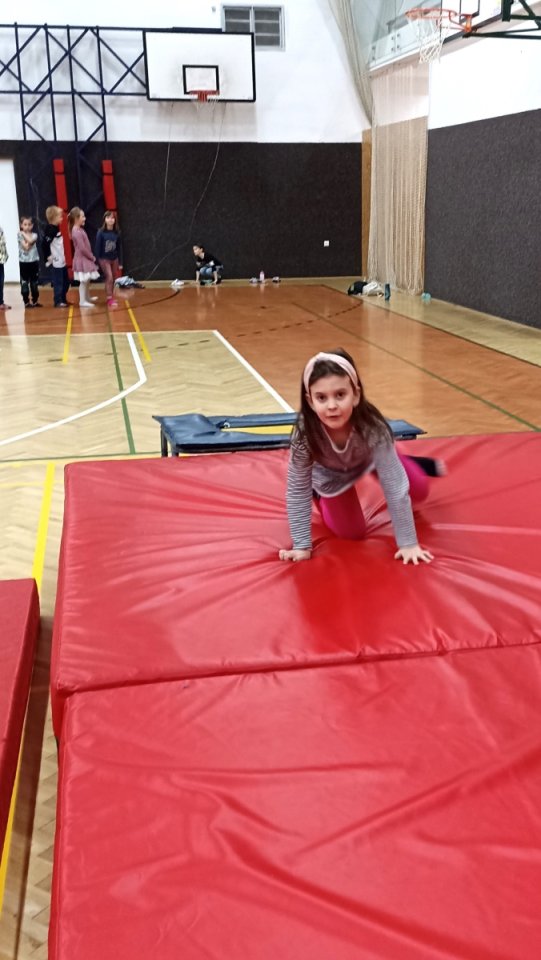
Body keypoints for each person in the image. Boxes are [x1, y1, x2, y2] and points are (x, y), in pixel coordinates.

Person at [279, 349, 444, 565]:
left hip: (368, 459)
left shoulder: (372, 428)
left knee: (419, 490)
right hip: (332, 475)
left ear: (355, 395)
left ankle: (398, 459)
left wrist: (408, 544)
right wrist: (302, 545)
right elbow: (297, 489)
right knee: (351, 532)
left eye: (340, 395)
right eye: (322, 398)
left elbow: (395, 486)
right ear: (310, 401)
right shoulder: (304, 435)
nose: (332, 406)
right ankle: (319, 495)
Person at [68, 207, 99, 308]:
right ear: (76, 218)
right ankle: (82, 301)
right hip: (82, 259)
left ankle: (87, 297)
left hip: (85, 258)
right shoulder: (76, 231)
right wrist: (91, 257)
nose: (84, 218)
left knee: (87, 279)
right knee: (84, 281)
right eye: (82, 216)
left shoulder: (79, 229)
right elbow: (82, 248)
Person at [43, 205, 70, 307]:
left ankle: (63, 299)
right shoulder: (50, 230)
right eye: (60, 216)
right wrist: (48, 256)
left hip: (62, 260)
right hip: (56, 261)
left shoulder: (56, 228)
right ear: (54, 218)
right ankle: (58, 301)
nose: (62, 218)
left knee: (66, 282)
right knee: (59, 282)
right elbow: (44, 244)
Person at [95, 210, 122, 307]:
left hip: (114, 259)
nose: (110, 220)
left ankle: (110, 295)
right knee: (109, 277)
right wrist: (97, 262)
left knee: (113, 278)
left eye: (112, 218)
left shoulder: (117, 233)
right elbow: (97, 247)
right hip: (104, 259)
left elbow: (119, 248)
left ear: (115, 220)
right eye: (108, 218)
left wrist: (120, 262)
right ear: (105, 220)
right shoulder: (101, 232)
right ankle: (109, 298)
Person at [17, 215, 42, 308]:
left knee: (34, 284)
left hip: (34, 262)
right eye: (25, 224)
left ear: (32, 225)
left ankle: (35, 301)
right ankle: (26, 301)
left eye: (29, 224)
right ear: (21, 225)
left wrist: (23, 234)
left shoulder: (34, 235)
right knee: (24, 284)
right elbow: (26, 247)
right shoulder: (19, 235)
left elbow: (30, 242)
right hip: (24, 263)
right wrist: (23, 234)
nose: (27, 226)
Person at [0, 225, 11, 310]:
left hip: (0, 260)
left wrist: (5, 256)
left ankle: (0, 302)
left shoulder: (0, 229)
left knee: (0, 281)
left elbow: (2, 245)